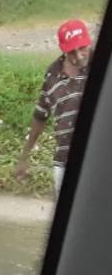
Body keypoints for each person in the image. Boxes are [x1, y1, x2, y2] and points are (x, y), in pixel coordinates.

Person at [16, 19, 93, 197]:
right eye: (72, 52)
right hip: (64, 161)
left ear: (89, 42)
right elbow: (40, 116)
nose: (79, 56)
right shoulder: (52, 75)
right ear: (63, 50)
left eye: (82, 48)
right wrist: (24, 156)